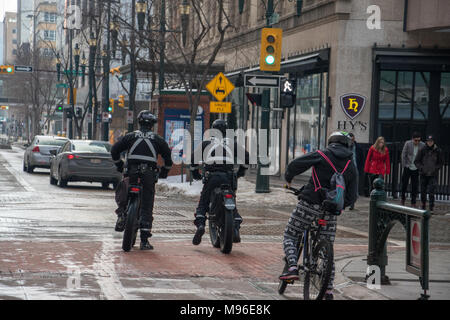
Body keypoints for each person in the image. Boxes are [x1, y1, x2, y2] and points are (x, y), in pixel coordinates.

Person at [279, 131, 357, 300]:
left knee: (291, 234)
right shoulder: (350, 164)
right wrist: (341, 206)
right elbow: (352, 196)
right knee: (328, 249)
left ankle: (292, 266)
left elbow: (295, 165)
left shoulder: (322, 154)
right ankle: (328, 291)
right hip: (331, 210)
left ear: (331, 141)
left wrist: (289, 178)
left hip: (309, 203)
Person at [111, 110, 173, 250]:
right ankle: (144, 240)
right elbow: (168, 158)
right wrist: (164, 171)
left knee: (123, 192)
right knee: (147, 203)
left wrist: (119, 164)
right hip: (149, 174)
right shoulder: (158, 139)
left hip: (131, 172)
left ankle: (121, 214)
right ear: (152, 125)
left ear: (139, 123)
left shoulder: (130, 136)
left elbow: (114, 150)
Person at [190, 119, 249, 246]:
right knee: (232, 201)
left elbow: (193, 159)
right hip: (228, 177)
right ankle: (236, 225)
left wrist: (195, 173)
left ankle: (200, 225)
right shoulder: (232, 143)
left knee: (203, 201)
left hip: (211, 176)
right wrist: (241, 172)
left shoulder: (206, 143)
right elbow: (247, 158)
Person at [414, 134, 444, 213]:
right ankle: (423, 205)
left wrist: (435, 168)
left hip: (433, 174)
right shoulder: (422, 149)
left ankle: (431, 207)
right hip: (423, 174)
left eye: (431, 141)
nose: (429, 143)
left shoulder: (438, 150)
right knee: (423, 192)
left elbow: (441, 163)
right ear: (426, 142)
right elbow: (416, 161)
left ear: (433, 142)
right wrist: (421, 168)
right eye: (428, 141)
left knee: (431, 192)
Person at [400, 132, 425, 208]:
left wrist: (421, 166)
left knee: (415, 186)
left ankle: (413, 202)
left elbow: (424, 156)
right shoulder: (408, 143)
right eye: (415, 140)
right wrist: (404, 165)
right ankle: (403, 198)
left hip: (416, 168)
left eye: (418, 140)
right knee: (404, 184)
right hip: (408, 166)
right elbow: (403, 154)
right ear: (412, 139)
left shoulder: (422, 145)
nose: (417, 142)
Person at [348, 133, 364, 210]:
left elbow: (361, 159)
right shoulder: (345, 147)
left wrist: (361, 169)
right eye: (349, 139)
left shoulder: (358, 147)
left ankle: (352, 204)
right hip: (346, 169)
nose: (351, 140)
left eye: (352, 139)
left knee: (354, 186)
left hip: (355, 169)